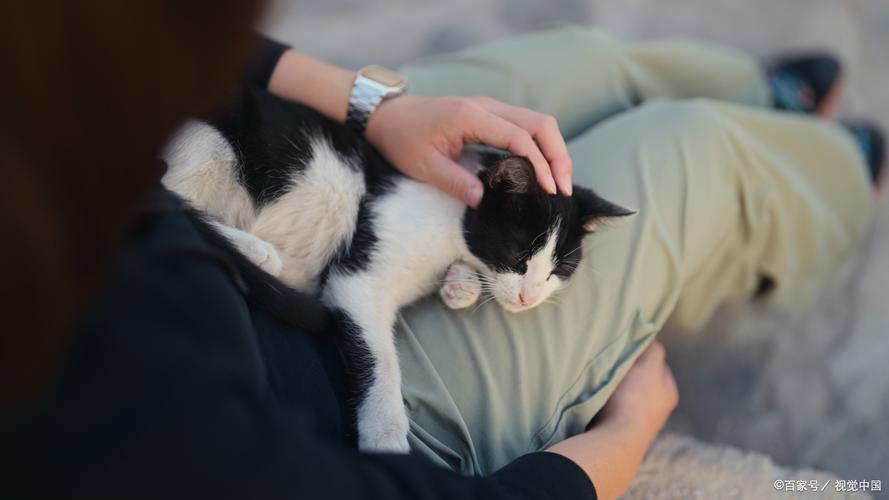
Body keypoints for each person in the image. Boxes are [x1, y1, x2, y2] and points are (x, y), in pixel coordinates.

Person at [0, 1, 882, 499]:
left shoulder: (52, 121)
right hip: (358, 373)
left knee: (574, 69)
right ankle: (832, 170)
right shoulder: (124, 408)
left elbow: (132, 39)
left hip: (325, 177)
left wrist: (369, 103)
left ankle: (764, 94)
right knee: (692, 157)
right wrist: (610, 455)